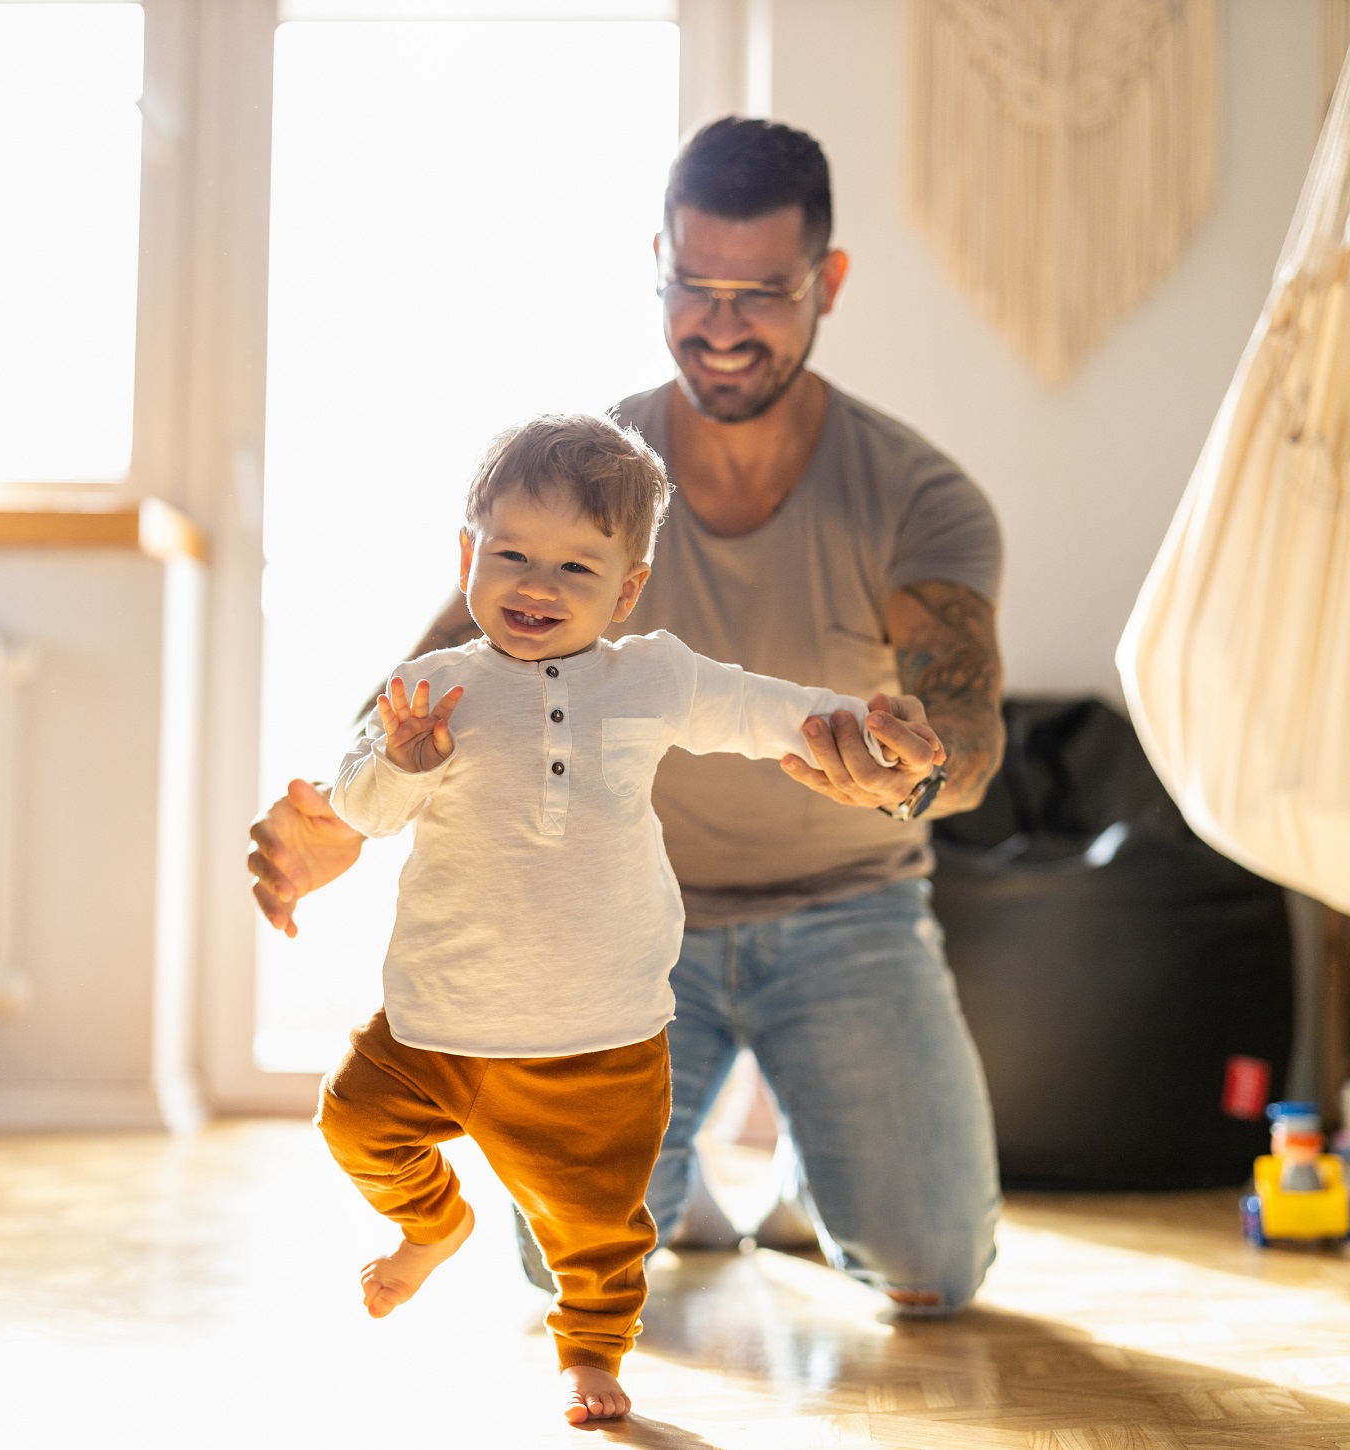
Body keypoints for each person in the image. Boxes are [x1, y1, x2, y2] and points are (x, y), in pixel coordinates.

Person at [251, 116, 1006, 1317]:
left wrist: (910, 769)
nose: (719, 324)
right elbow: (422, 681)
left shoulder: (916, 495)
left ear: (829, 282)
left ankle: (822, 1160)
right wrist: (343, 808)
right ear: (656, 261)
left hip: (849, 914)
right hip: (603, 941)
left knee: (930, 1268)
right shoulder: (583, 479)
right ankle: (686, 1192)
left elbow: (964, 725)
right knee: (563, 1265)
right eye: (692, 286)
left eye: (759, 291)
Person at [315, 413, 941, 1424]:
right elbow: (359, 809)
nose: (536, 586)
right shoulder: (434, 691)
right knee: (353, 1122)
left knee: (598, 1225)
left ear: (628, 588)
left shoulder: (649, 675)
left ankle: (593, 1355)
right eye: (511, 554)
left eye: (576, 567)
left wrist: (860, 720)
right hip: (435, 1021)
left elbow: (759, 708)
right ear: (467, 555)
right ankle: (431, 1226)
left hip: (599, 1031)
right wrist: (400, 764)